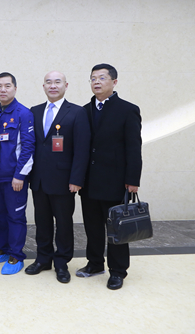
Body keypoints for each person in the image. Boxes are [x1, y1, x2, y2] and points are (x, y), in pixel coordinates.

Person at [78, 64, 142, 290]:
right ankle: (95, 263)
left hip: (115, 181)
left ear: (114, 82)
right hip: (89, 181)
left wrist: (133, 180)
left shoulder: (128, 110)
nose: (96, 82)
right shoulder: (84, 110)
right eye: (93, 78)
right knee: (92, 227)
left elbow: (134, 148)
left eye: (102, 78)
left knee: (117, 229)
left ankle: (118, 271)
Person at [27, 71, 90, 284]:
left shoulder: (77, 112)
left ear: (66, 85)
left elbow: (82, 149)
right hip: (38, 179)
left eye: (57, 82)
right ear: (43, 86)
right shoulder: (35, 111)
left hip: (64, 181)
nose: (52, 86)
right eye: (48, 82)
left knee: (63, 224)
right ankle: (43, 259)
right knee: (42, 222)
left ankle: (62, 262)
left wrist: (76, 179)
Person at [0, 72, 35, 275]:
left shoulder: (24, 113)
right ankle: (2, 248)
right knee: (0, 214)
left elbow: (28, 148)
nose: (3, 90)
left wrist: (20, 176)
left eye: (7, 86)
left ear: (15, 88)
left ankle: (16, 255)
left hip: (14, 178)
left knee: (15, 216)